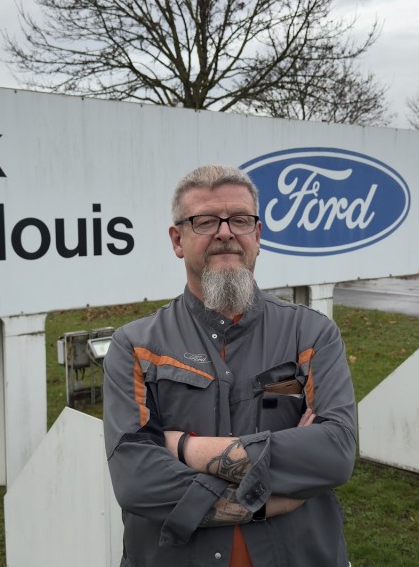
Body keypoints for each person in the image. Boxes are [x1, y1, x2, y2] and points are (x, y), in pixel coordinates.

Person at [102, 164, 358, 566]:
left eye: (239, 219)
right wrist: (269, 502)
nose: (225, 233)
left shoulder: (311, 335)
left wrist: (188, 448)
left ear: (256, 234)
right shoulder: (135, 346)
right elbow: (137, 482)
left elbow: (335, 453)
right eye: (204, 221)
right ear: (177, 240)